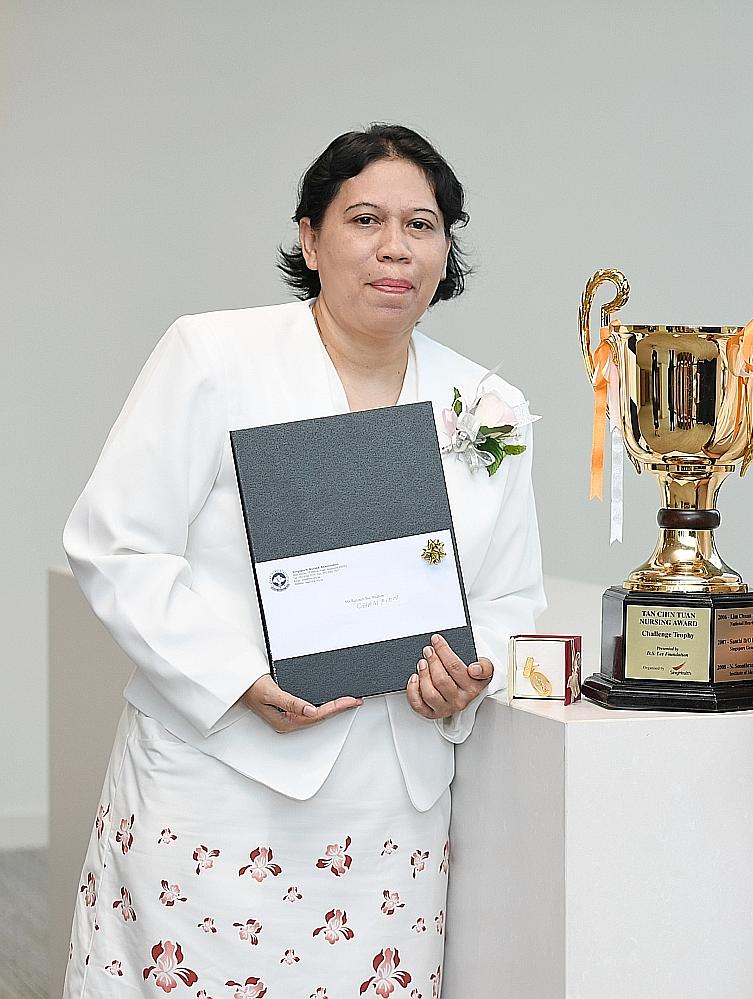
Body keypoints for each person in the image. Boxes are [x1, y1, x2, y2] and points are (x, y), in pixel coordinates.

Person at [61, 124, 544, 997]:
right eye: (365, 219)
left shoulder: (487, 403)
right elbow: (116, 543)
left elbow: (510, 596)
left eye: (422, 224)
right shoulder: (214, 357)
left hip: (389, 813)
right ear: (310, 238)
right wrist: (237, 679)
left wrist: (470, 677)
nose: (395, 246)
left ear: (446, 251)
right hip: (215, 786)